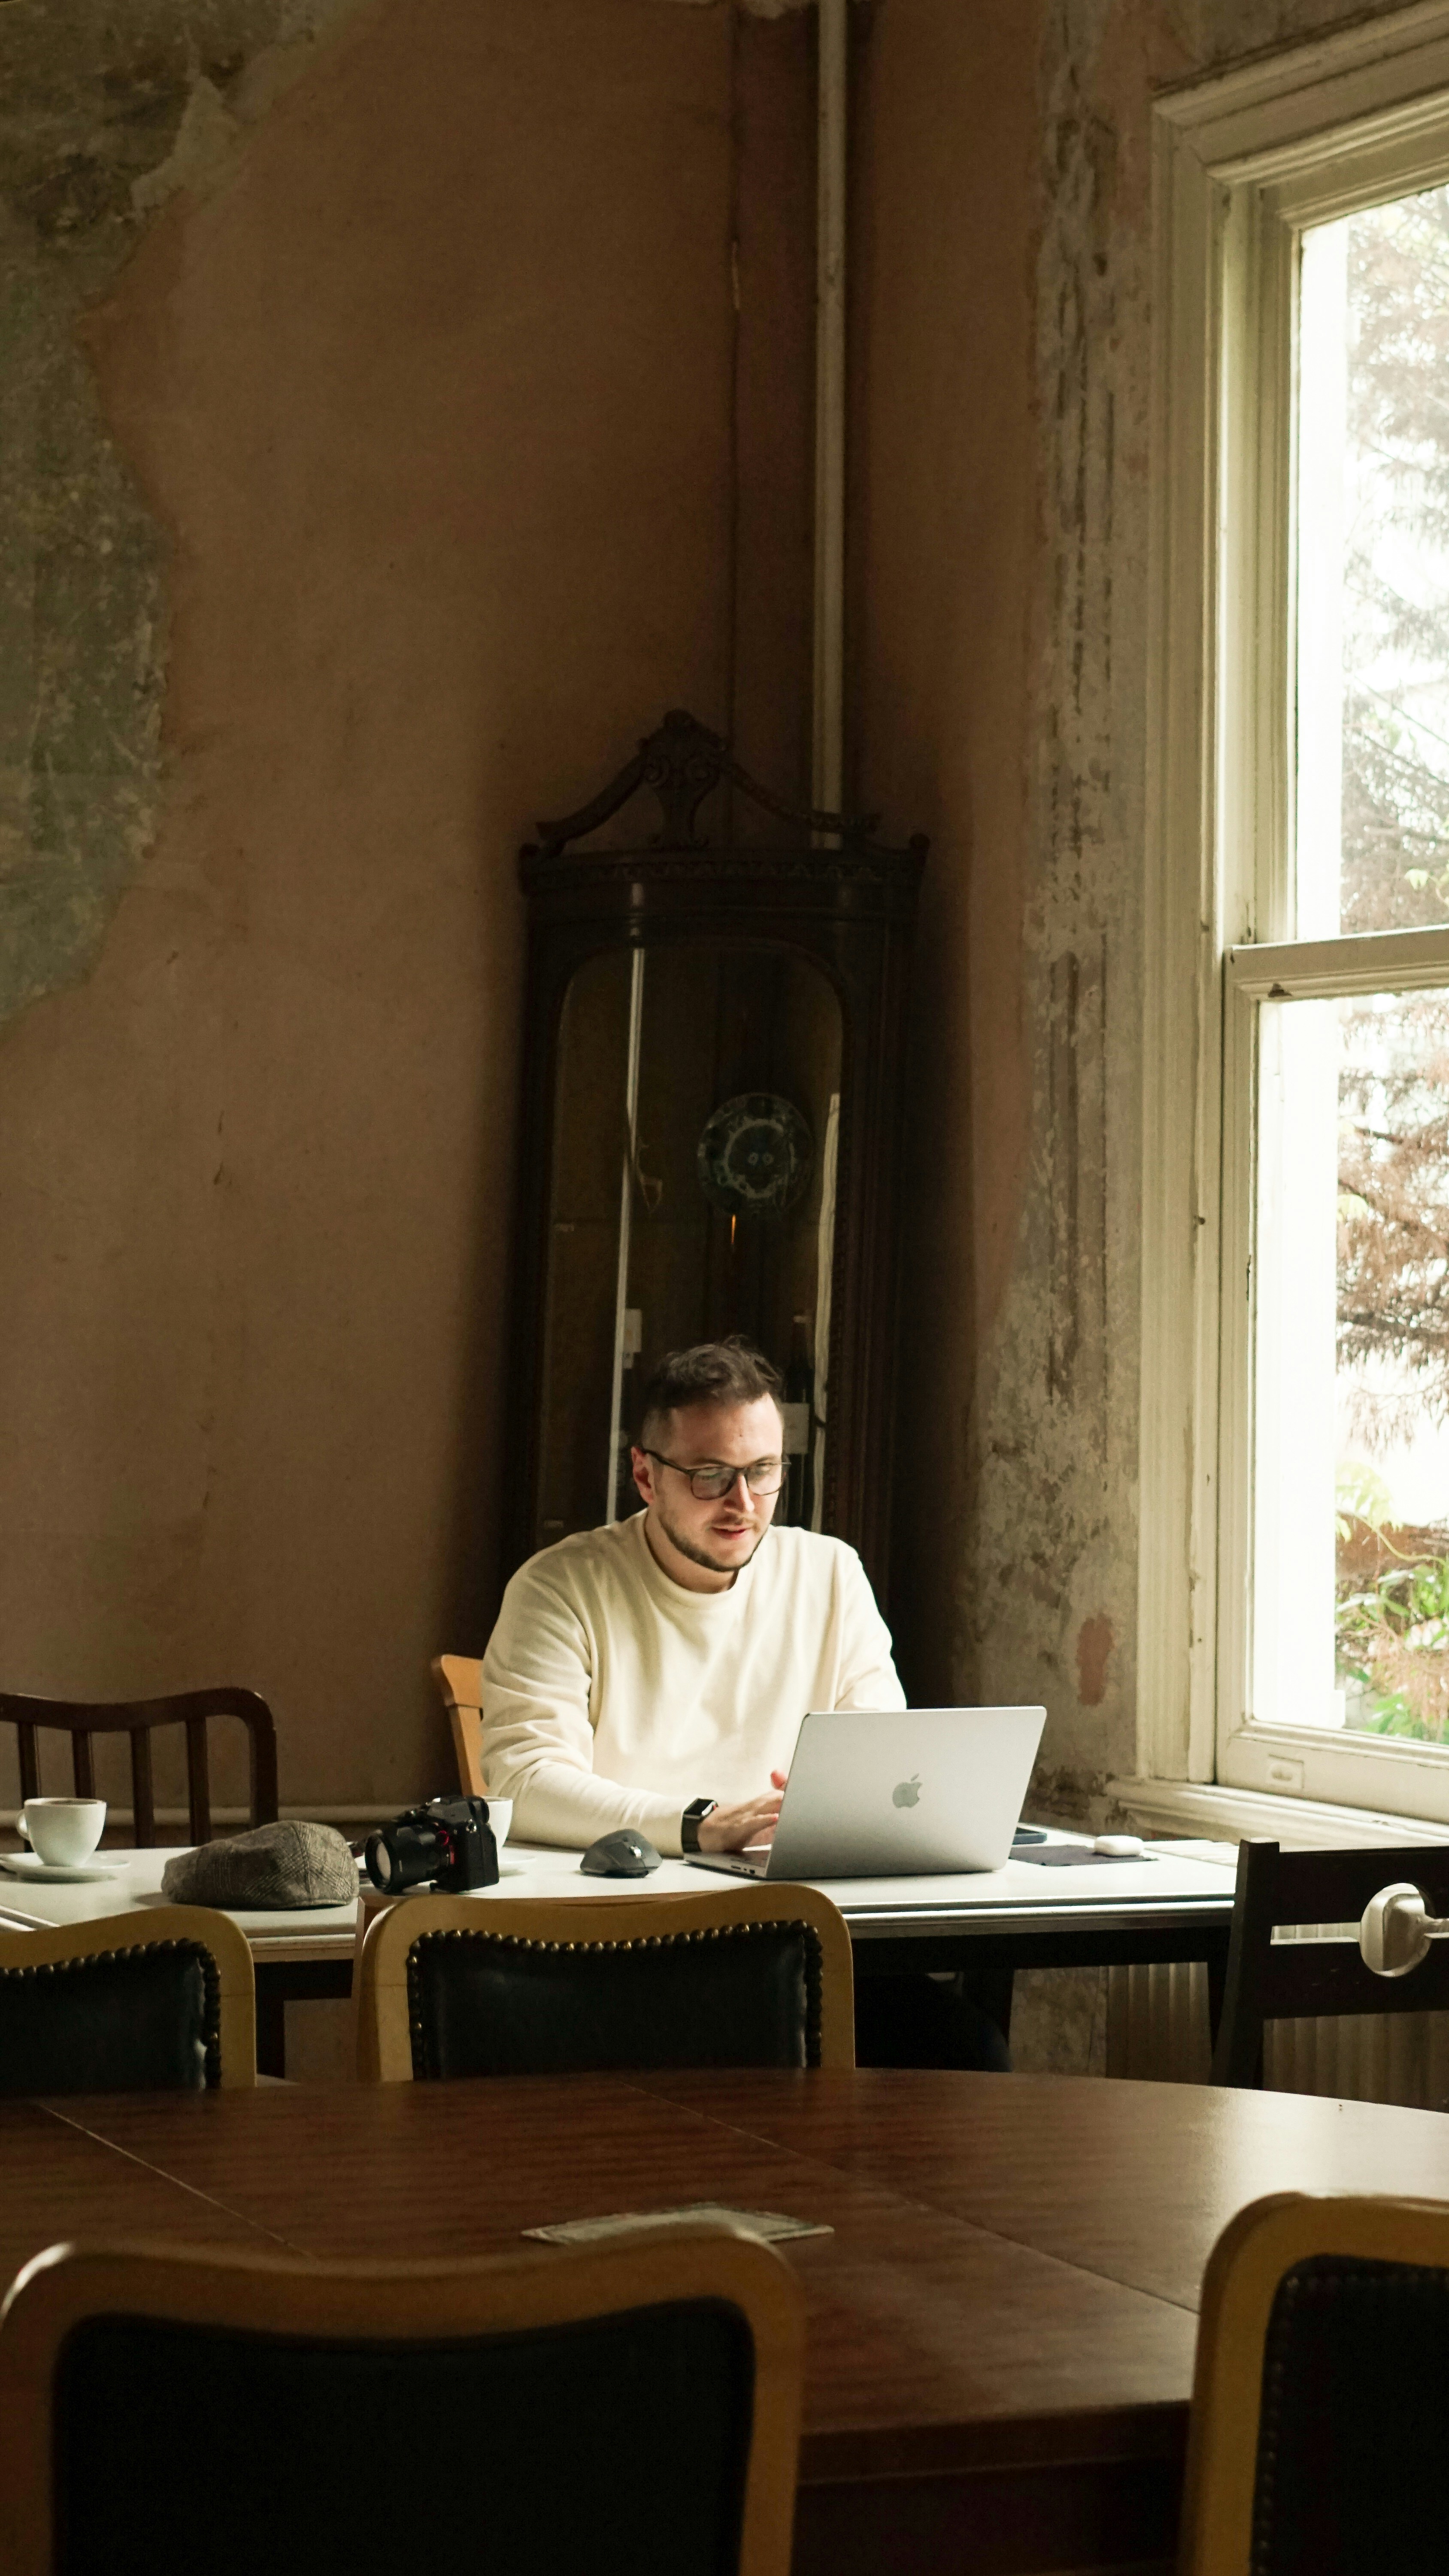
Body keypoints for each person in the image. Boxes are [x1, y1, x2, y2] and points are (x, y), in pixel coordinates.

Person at [479, 1335, 1009, 2071]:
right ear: (643, 1474)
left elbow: (881, 1757)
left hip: (804, 1943)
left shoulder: (829, 1574)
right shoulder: (560, 1587)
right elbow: (524, 1782)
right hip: (618, 1955)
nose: (742, 1505)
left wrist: (834, 1808)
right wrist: (701, 1826)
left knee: (969, 2055)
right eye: (708, 1476)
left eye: (762, 1472)